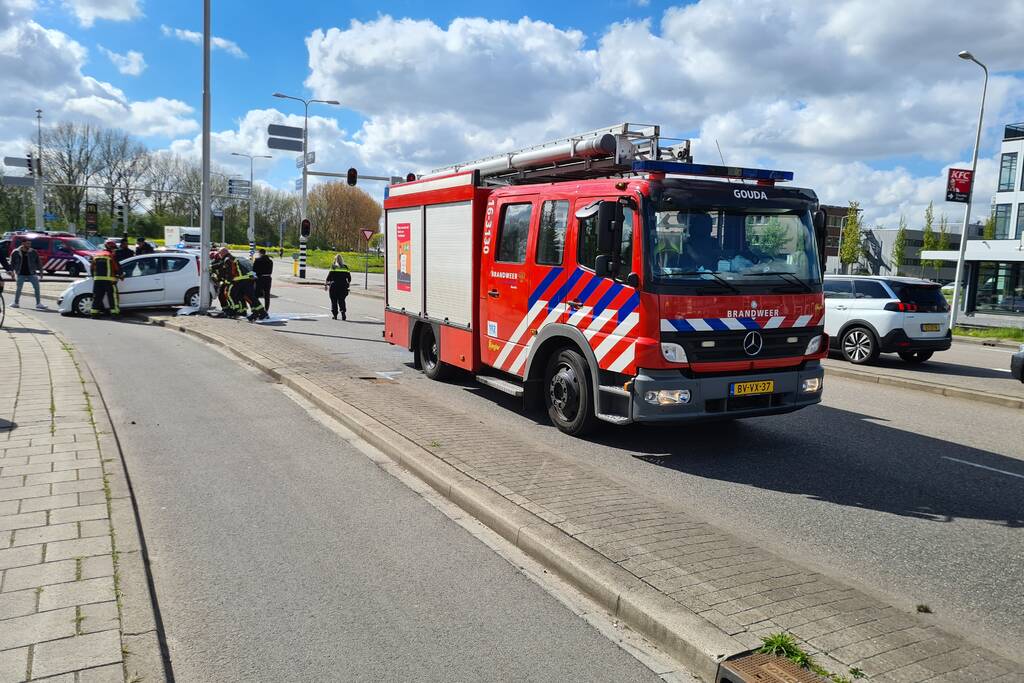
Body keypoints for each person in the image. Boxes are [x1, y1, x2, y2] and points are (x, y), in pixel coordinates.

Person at [219, 247, 267, 321]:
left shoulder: (228, 259)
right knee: (249, 297)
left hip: (242, 280)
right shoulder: (237, 258)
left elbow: (230, 273)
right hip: (249, 278)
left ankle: (259, 312)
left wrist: (227, 282)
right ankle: (257, 312)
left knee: (232, 294)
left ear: (222, 253)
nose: (219, 255)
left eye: (219, 253)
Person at [9, 240, 47, 310]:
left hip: (31, 273)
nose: (29, 245)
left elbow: (38, 262)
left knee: (37, 288)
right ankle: (16, 303)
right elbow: (12, 263)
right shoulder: (16, 252)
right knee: (19, 289)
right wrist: (11, 272)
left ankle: (38, 304)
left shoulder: (33, 251)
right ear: (23, 243)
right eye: (27, 244)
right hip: (20, 273)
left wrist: (41, 272)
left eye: (30, 244)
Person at [90, 240, 122, 316]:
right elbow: (116, 267)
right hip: (109, 280)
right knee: (112, 297)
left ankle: (94, 313)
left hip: (97, 280)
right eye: (113, 248)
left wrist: (94, 277)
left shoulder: (96, 255)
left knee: (97, 297)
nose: (114, 249)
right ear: (110, 248)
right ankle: (115, 313)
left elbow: (92, 268)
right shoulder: (111, 255)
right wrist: (120, 275)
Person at [325, 255, 351, 320]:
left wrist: (326, 284)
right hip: (343, 286)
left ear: (335, 260)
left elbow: (329, 277)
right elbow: (349, 278)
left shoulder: (333, 267)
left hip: (334, 286)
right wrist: (347, 284)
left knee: (334, 301)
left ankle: (335, 315)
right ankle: (343, 313)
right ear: (342, 260)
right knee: (342, 300)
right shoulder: (345, 267)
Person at [253, 248, 273, 313]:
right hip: (268, 278)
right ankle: (266, 310)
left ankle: (257, 309)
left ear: (260, 253)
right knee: (267, 295)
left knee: (256, 295)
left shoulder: (257, 260)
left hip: (260, 279)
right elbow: (271, 271)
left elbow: (254, 271)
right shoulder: (270, 261)